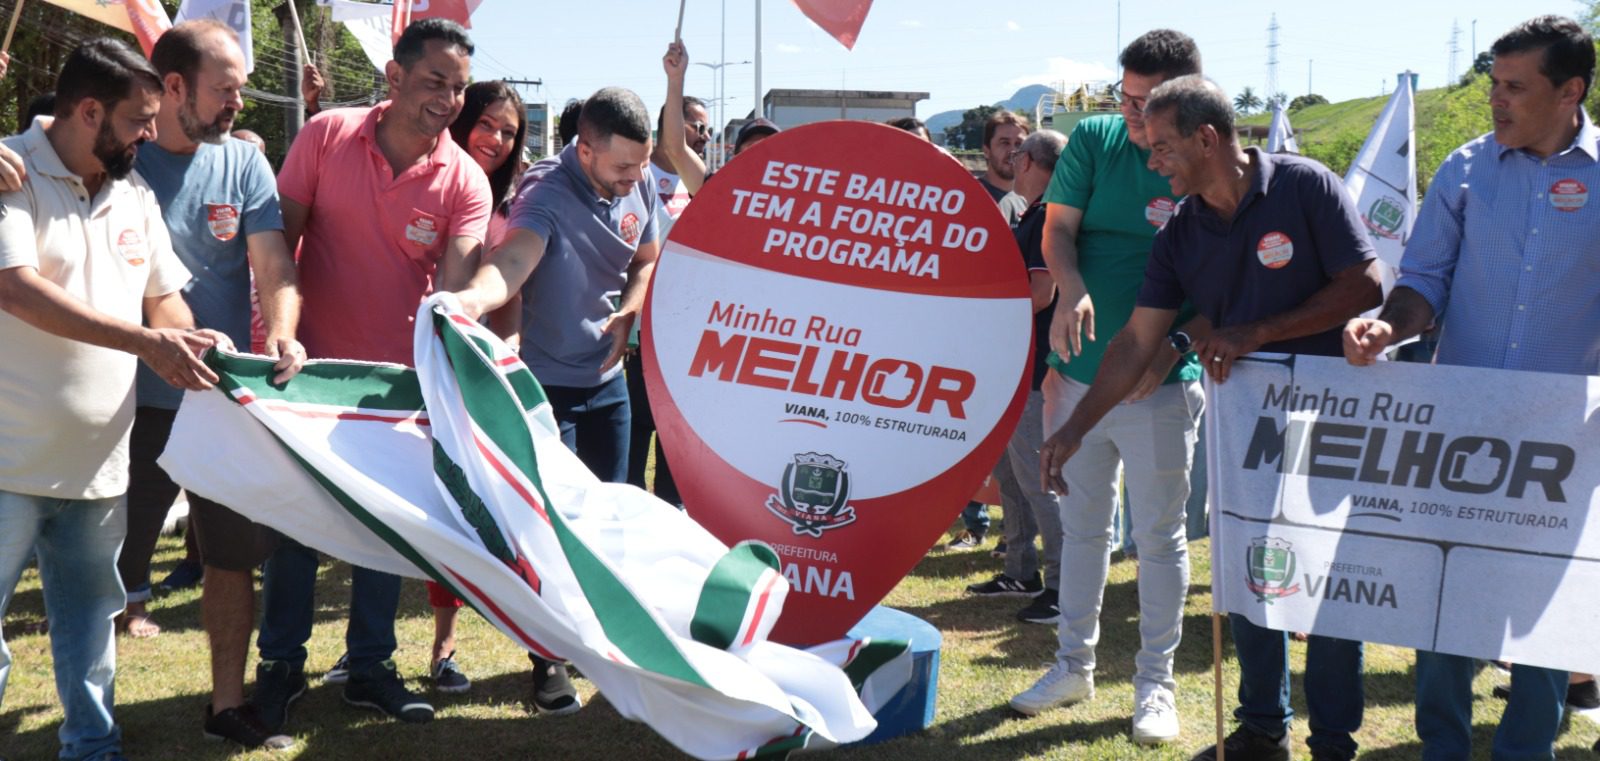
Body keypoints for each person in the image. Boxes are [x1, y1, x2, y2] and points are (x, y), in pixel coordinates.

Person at [1037, 76, 1381, 759]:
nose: (1152, 160)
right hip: (1244, 422)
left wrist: (1253, 332)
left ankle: (1335, 738)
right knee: (1256, 570)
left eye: (1162, 145)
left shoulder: (1304, 186)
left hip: (1327, 414)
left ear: (1208, 137)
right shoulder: (1181, 231)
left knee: (1327, 582)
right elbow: (1137, 339)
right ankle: (1262, 727)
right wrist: (1075, 427)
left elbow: (1367, 285)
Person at [1343, 15, 1599, 761]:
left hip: (1566, 438)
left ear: (1571, 90)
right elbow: (1422, 283)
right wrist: (1388, 329)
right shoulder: (1463, 169)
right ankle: (1442, 747)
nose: (1497, 100)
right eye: (1494, 84)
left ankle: (1527, 749)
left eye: (1516, 88)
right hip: (1463, 428)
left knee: (1546, 610)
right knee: (1446, 599)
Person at [252, 17, 491, 729]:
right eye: (434, 82)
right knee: (293, 529)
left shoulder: (466, 180)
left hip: (392, 390)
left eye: (460, 88)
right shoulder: (325, 134)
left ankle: (370, 665)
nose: (450, 100)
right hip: (303, 372)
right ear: (394, 76)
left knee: (384, 530)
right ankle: (280, 665)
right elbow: (277, 245)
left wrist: (451, 363)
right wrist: (278, 338)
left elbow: (454, 290)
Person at [0, 37, 225, 761]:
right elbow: (16, 288)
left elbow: (164, 300)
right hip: (7, 461)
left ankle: (92, 746)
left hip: (99, 466)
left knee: (93, 621)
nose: (148, 136)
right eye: (137, 121)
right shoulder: (9, 171)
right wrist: (143, 341)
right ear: (89, 109)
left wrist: (190, 340)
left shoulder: (134, 194)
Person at [1009, 30, 1205, 747]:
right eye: (1124, 97)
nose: (1131, 114)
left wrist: (1177, 344)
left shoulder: (1198, 157)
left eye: (1147, 103)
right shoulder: (1094, 139)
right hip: (1078, 378)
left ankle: (1156, 682)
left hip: (1161, 383)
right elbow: (1058, 234)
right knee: (1083, 529)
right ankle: (1072, 666)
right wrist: (1070, 291)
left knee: (1159, 538)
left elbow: (1222, 278)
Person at [118, 20, 307, 750]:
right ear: (172, 87)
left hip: (220, 402)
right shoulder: (116, 154)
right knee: (108, 567)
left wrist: (283, 328)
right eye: (225, 90)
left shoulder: (245, 164)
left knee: (231, 559)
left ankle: (226, 705)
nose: (238, 103)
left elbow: (273, 264)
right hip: (125, 402)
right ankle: (92, 712)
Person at [456, 86, 660, 487]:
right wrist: (470, 299)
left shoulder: (640, 176)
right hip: (546, 386)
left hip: (608, 380)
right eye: (623, 168)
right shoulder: (545, 189)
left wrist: (630, 308)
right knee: (553, 518)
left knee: (612, 507)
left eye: (644, 162)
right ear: (585, 152)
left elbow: (646, 259)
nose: (636, 177)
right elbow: (514, 259)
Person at [422, 78, 527, 697]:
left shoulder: (508, 209)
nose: (495, 139)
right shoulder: (436, 182)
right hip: (411, 365)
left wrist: (507, 350)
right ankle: (366, 650)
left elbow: (512, 293)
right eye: (487, 123)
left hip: (471, 374)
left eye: (508, 131)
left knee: (459, 510)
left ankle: (443, 646)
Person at [964, 129, 1067, 626]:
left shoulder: (1048, 216)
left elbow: (1041, 294)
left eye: (1016, 150)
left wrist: (984, 312)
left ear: (1027, 161)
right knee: (1012, 476)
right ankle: (1020, 570)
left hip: (1038, 370)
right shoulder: (1034, 212)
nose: (1009, 156)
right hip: (1018, 367)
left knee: (1039, 480)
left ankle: (1064, 585)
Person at [979, 110, 1030, 224]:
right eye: (1004, 143)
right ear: (986, 151)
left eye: (1019, 144)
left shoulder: (1025, 203)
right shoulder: (971, 196)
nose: (1013, 151)